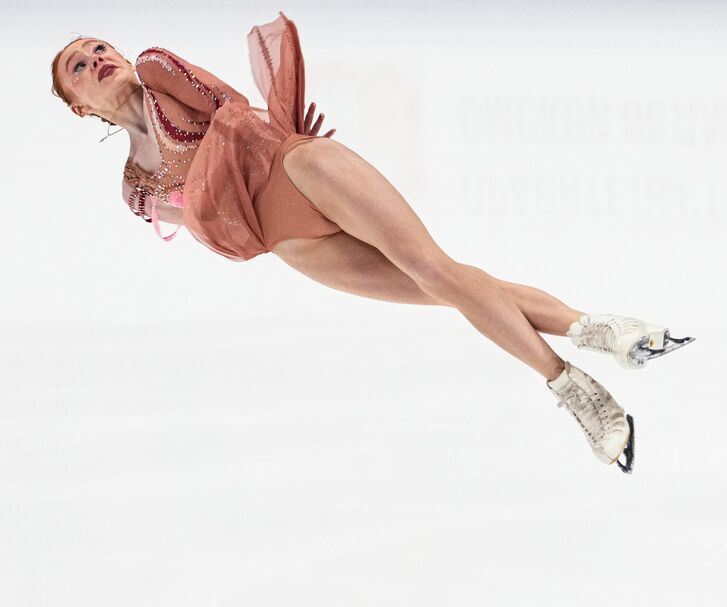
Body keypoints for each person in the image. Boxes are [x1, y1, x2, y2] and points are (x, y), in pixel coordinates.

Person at [50, 14, 693, 472]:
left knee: (437, 272)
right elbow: (210, 224)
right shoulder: (137, 188)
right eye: (79, 65)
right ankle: (604, 331)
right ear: (78, 105)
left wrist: (269, 137)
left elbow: (230, 110)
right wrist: (206, 195)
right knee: (443, 291)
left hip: (298, 168)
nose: (97, 58)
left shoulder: (159, 71)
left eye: (99, 45)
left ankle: (585, 397)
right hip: (285, 239)